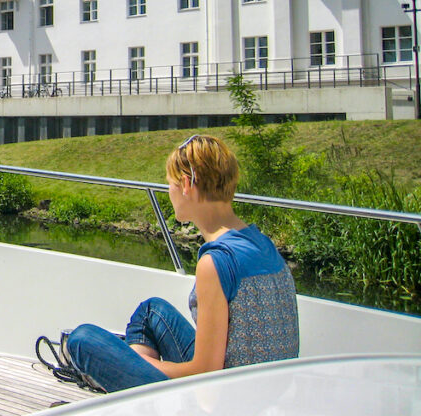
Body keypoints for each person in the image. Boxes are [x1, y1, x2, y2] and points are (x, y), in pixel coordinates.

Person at [64, 134, 299, 392]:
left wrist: (139, 363)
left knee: (81, 339)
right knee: (151, 311)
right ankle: (139, 395)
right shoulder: (262, 243)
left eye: (170, 184)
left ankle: (139, 398)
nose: (169, 192)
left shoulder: (216, 261)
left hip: (227, 401)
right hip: (263, 395)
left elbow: (205, 373)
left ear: (186, 184)